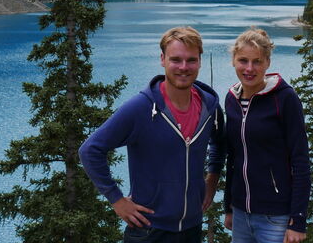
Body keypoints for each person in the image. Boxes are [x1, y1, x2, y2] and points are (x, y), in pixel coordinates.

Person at [80, 26, 224, 243]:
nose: (184, 67)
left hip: (192, 228)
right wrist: (117, 200)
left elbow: (219, 144)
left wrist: (212, 179)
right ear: (162, 59)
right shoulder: (142, 108)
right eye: (176, 59)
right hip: (149, 230)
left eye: (191, 60)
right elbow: (90, 150)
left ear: (200, 61)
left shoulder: (209, 106)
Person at [221, 28, 310, 243]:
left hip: (275, 217)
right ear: (234, 60)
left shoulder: (284, 99)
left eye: (257, 62)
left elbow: (301, 161)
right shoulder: (231, 99)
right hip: (241, 214)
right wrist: (229, 206)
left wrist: (297, 221)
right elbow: (233, 157)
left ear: (267, 63)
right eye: (243, 60)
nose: (249, 68)